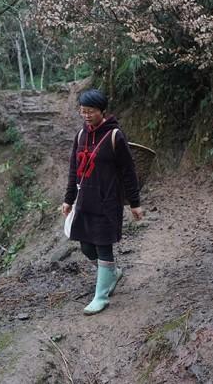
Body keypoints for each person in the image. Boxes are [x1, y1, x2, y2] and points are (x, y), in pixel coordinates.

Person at [62, 89, 143, 315]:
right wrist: (68, 200)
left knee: (103, 246)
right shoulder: (80, 136)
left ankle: (101, 297)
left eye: (91, 111)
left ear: (102, 111)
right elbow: (73, 171)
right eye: (83, 111)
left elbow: (128, 171)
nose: (86, 116)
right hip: (85, 200)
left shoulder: (115, 135)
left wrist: (135, 203)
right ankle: (112, 273)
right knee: (87, 246)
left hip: (107, 201)